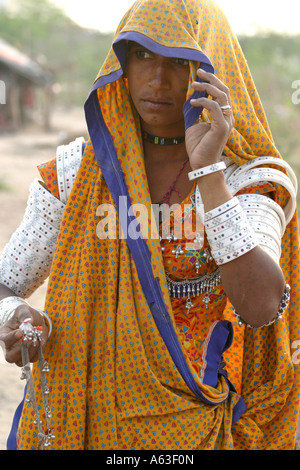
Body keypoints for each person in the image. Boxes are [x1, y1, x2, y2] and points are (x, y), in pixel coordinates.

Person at [0, 0, 299, 451]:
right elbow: (5, 284)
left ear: (213, 72)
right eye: (142, 56)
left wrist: (209, 173)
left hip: (193, 430)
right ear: (120, 64)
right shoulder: (75, 174)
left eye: (181, 61)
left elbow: (261, 306)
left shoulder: (247, 180)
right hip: (77, 419)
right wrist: (16, 316)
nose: (157, 80)